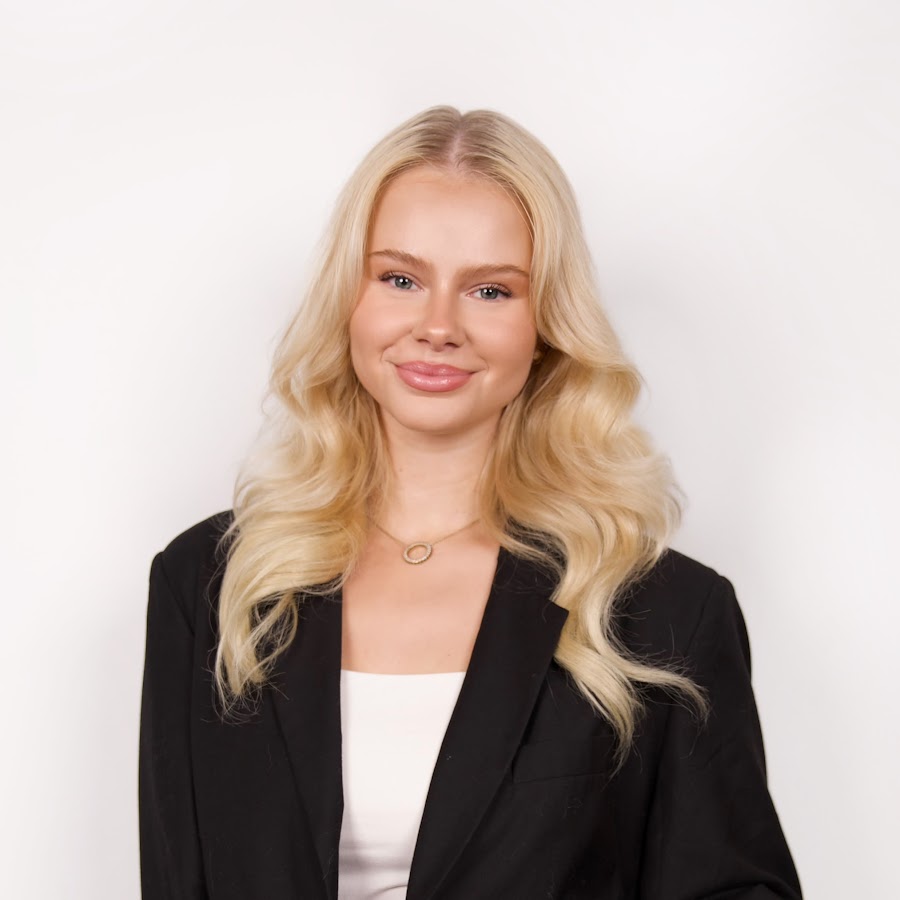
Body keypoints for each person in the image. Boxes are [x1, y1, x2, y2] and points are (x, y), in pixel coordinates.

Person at [139, 106, 802, 899]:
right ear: (348, 299)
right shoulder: (210, 586)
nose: (438, 326)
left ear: (545, 325)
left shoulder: (663, 612)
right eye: (400, 279)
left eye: (490, 290)